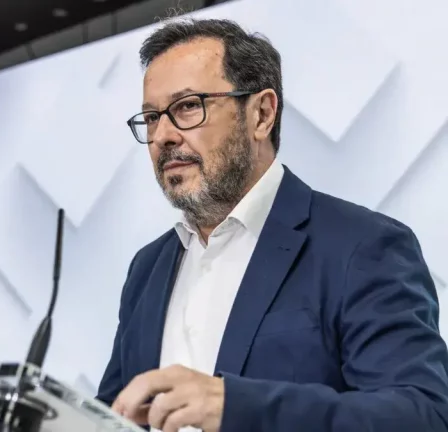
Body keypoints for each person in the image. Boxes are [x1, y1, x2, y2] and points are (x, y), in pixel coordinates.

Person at [96, 17, 448, 432]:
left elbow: (421, 416)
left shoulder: (363, 246)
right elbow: (110, 413)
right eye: (152, 117)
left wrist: (233, 406)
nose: (162, 136)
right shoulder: (147, 267)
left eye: (188, 106)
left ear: (261, 114)